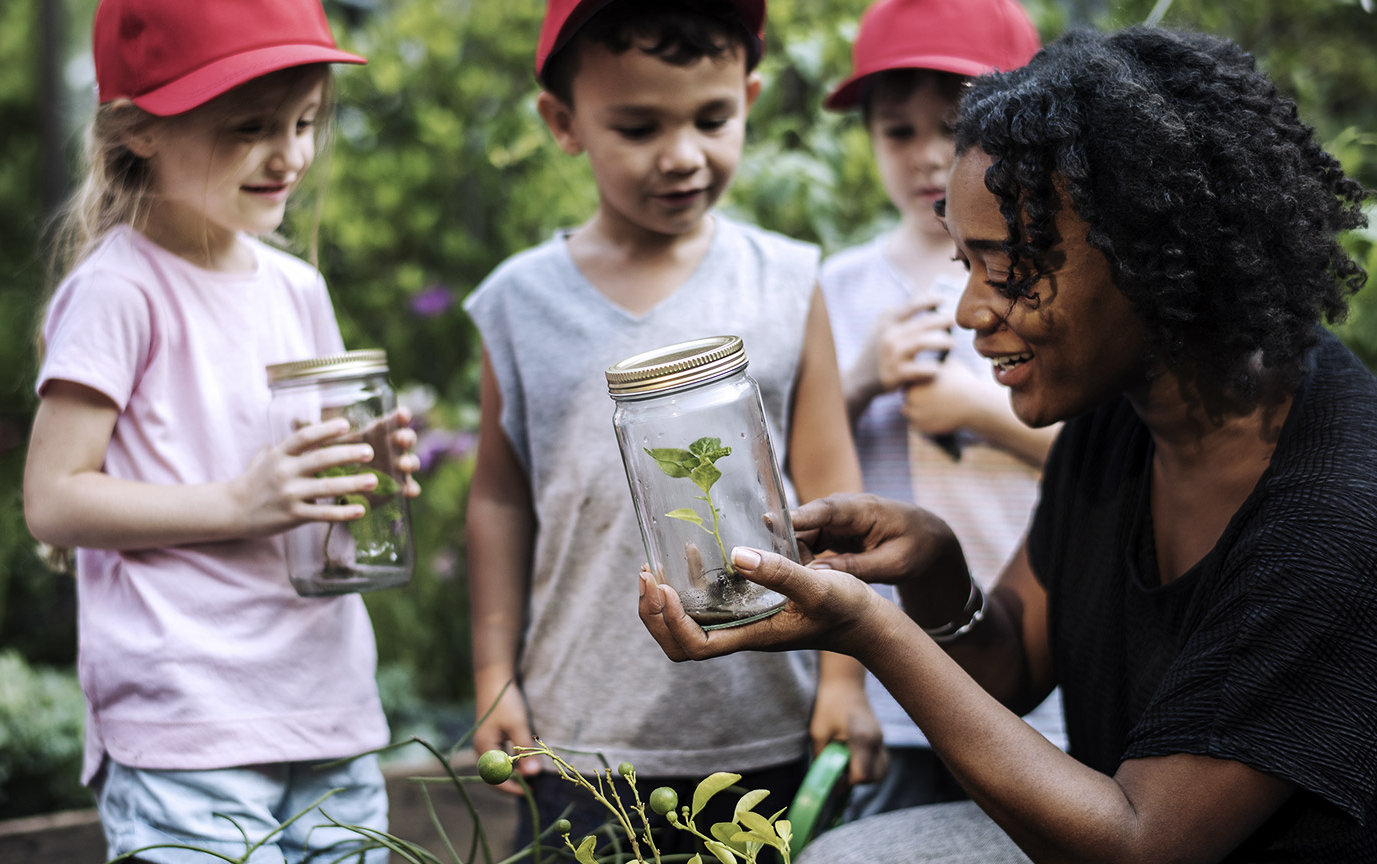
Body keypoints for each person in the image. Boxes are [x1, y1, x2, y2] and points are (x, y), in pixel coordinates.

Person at [640, 26, 1376, 863]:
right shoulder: (1123, 414)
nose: (970, 313)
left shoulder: (1334, 518)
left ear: (1154, 251)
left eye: (1011, 269)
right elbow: (1012, 662)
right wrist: (935, 563)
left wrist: (869, 632)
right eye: (964, 264)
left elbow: (1141, 845)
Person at [464, 0, 880, 848]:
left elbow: (834, 495)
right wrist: (493, 679)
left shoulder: (789, 281)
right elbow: (500, 503)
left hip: (772, 722)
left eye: (712, 118)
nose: (683, 155)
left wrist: (846, 679)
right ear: (563, 121)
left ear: (751, 97)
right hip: (581, 740)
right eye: (639, 125)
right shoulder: (518, 303)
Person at [21, 1, 417, 860]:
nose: (292, 154)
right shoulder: (118, 292)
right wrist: (242, 501)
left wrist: (366, 472)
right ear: (138, 130)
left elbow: (315, 496)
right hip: (187, 732)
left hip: (326, 711)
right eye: (252, 128)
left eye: (305, 121)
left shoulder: (296, 290)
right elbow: (53, 499)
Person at [817, 0, 1066, 818]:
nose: (926, 155)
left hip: (1040, 672)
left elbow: (1104, 457)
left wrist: (973, 407)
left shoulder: (1054, 280)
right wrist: (859, 381)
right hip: (896, 692)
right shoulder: (837, 289)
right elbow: (798, 454)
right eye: (897, 131)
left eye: (953, 127)